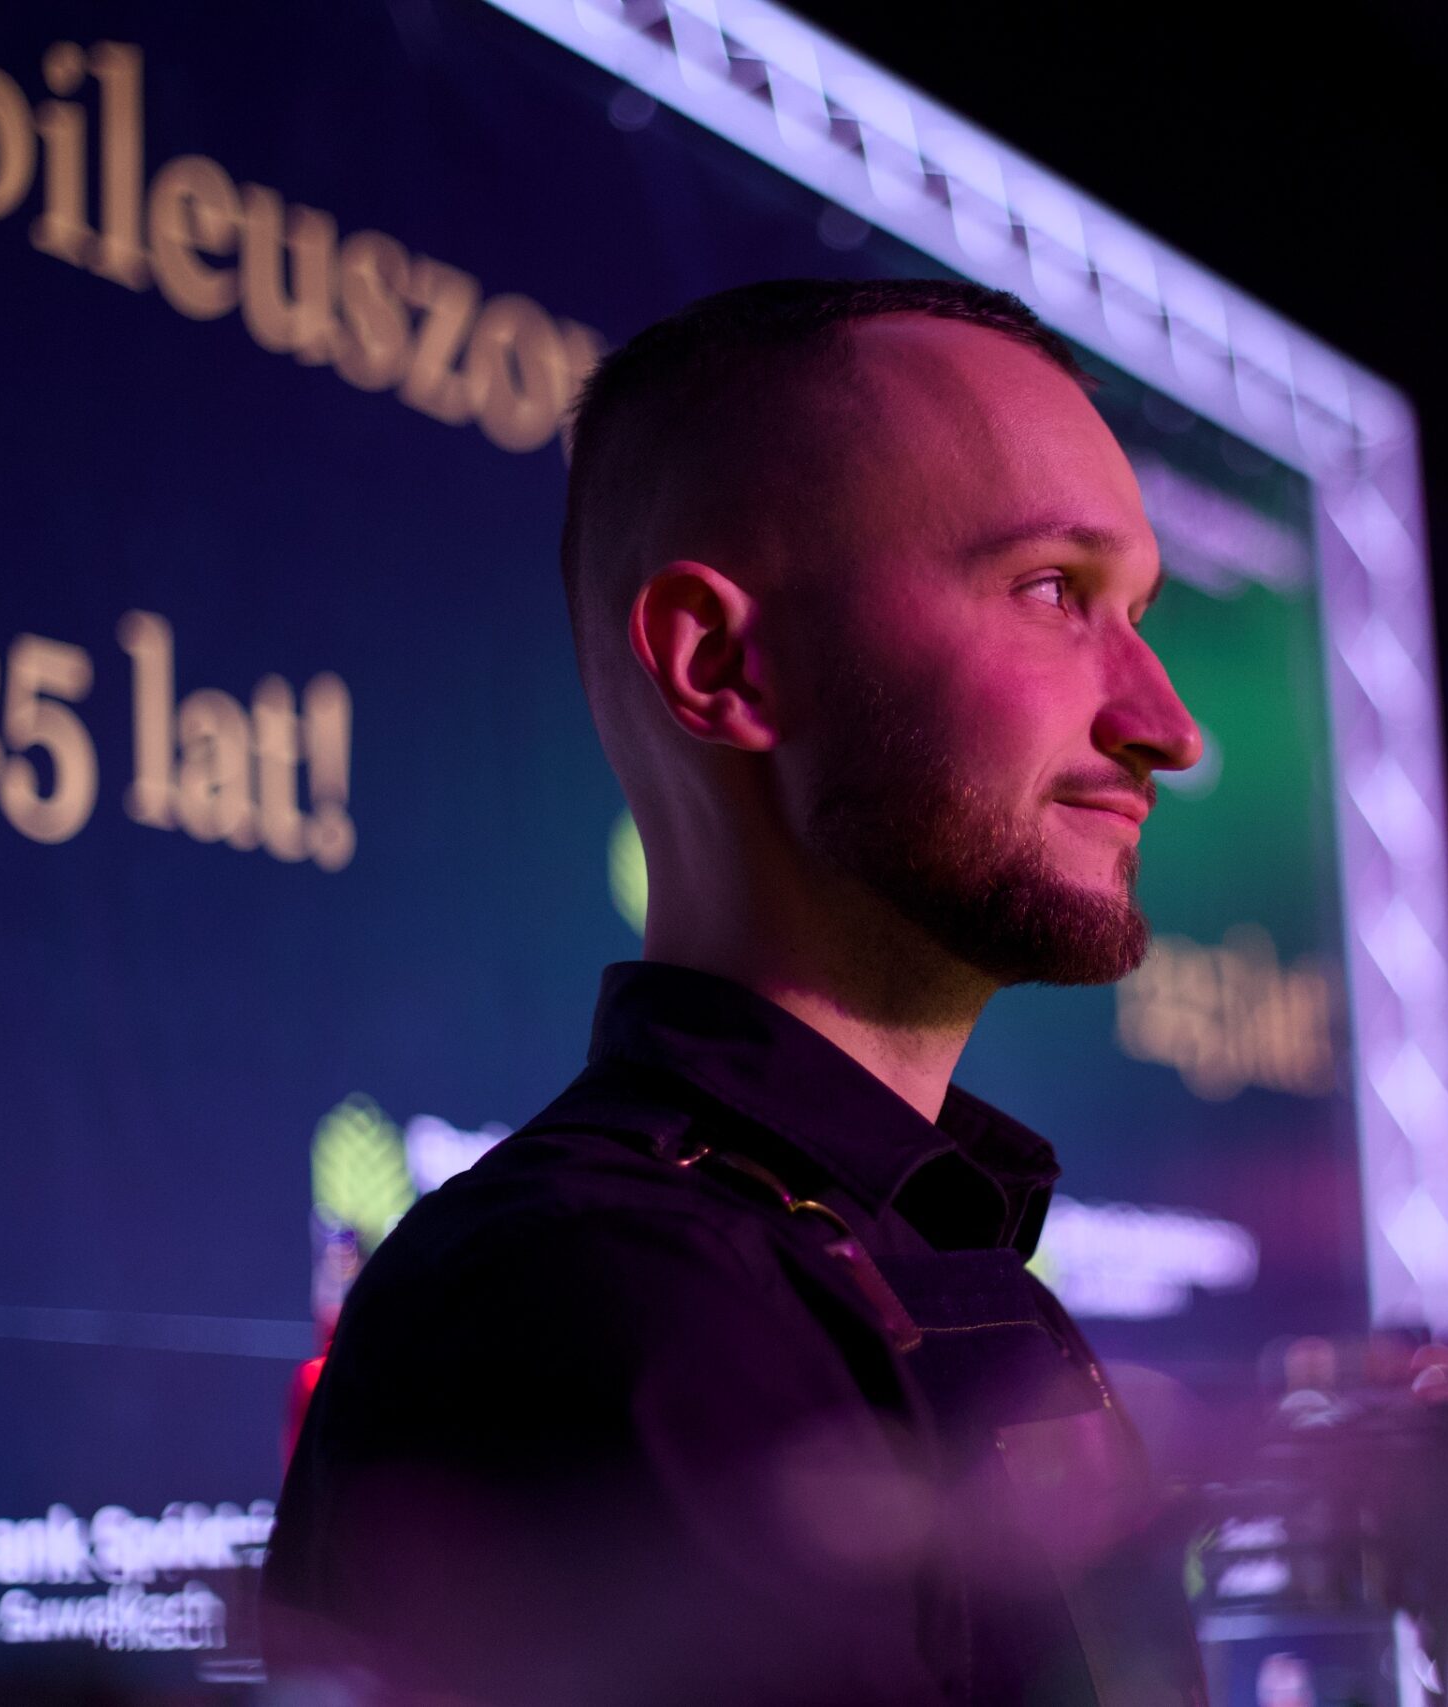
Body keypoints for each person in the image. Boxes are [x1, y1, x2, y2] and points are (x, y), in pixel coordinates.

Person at [261, 278, 1209, 1706]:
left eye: (1135, 609)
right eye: (1050, 590)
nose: (1166, 726)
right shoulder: (589, 1301)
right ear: (722, 664)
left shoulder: (893, 1246)